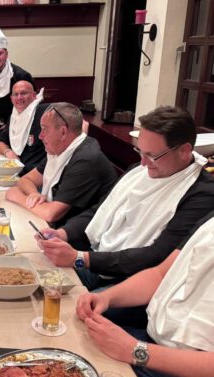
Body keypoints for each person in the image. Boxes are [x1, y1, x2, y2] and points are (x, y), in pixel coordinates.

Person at [37, 106, 214, 290]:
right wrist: (63, 233)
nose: (143, 163)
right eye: (140, 151)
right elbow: (100, 210)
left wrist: (80, 258)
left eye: (152, 155)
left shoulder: (201, 194)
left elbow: (156, 255)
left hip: (131, 281)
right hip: (97, 258)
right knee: (34, 271)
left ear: (184, 151)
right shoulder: (139, 170)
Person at [76, 211, 214, 377]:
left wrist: (135, 350)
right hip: (150, 344)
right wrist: (106, 297)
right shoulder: (209, 219)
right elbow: (161, 274)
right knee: (75, 350)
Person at [5, 102, 116, 228]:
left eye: (45, 129)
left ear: (63, 132)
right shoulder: (59, 149)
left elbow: (51, 214)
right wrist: (34, 194)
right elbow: (26, 180)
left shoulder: (85, 160)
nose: (40, 136)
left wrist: (18, 197)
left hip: (79, 233)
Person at [0, 80, 47, 174]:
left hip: (37, 174)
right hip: (16, 170)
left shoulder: (44, 112)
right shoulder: (13, 117)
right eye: (15, 94)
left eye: (23, 93)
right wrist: (9, 152)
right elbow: (0, 143)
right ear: (11, 98)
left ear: (34, 95)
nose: (19, 97)